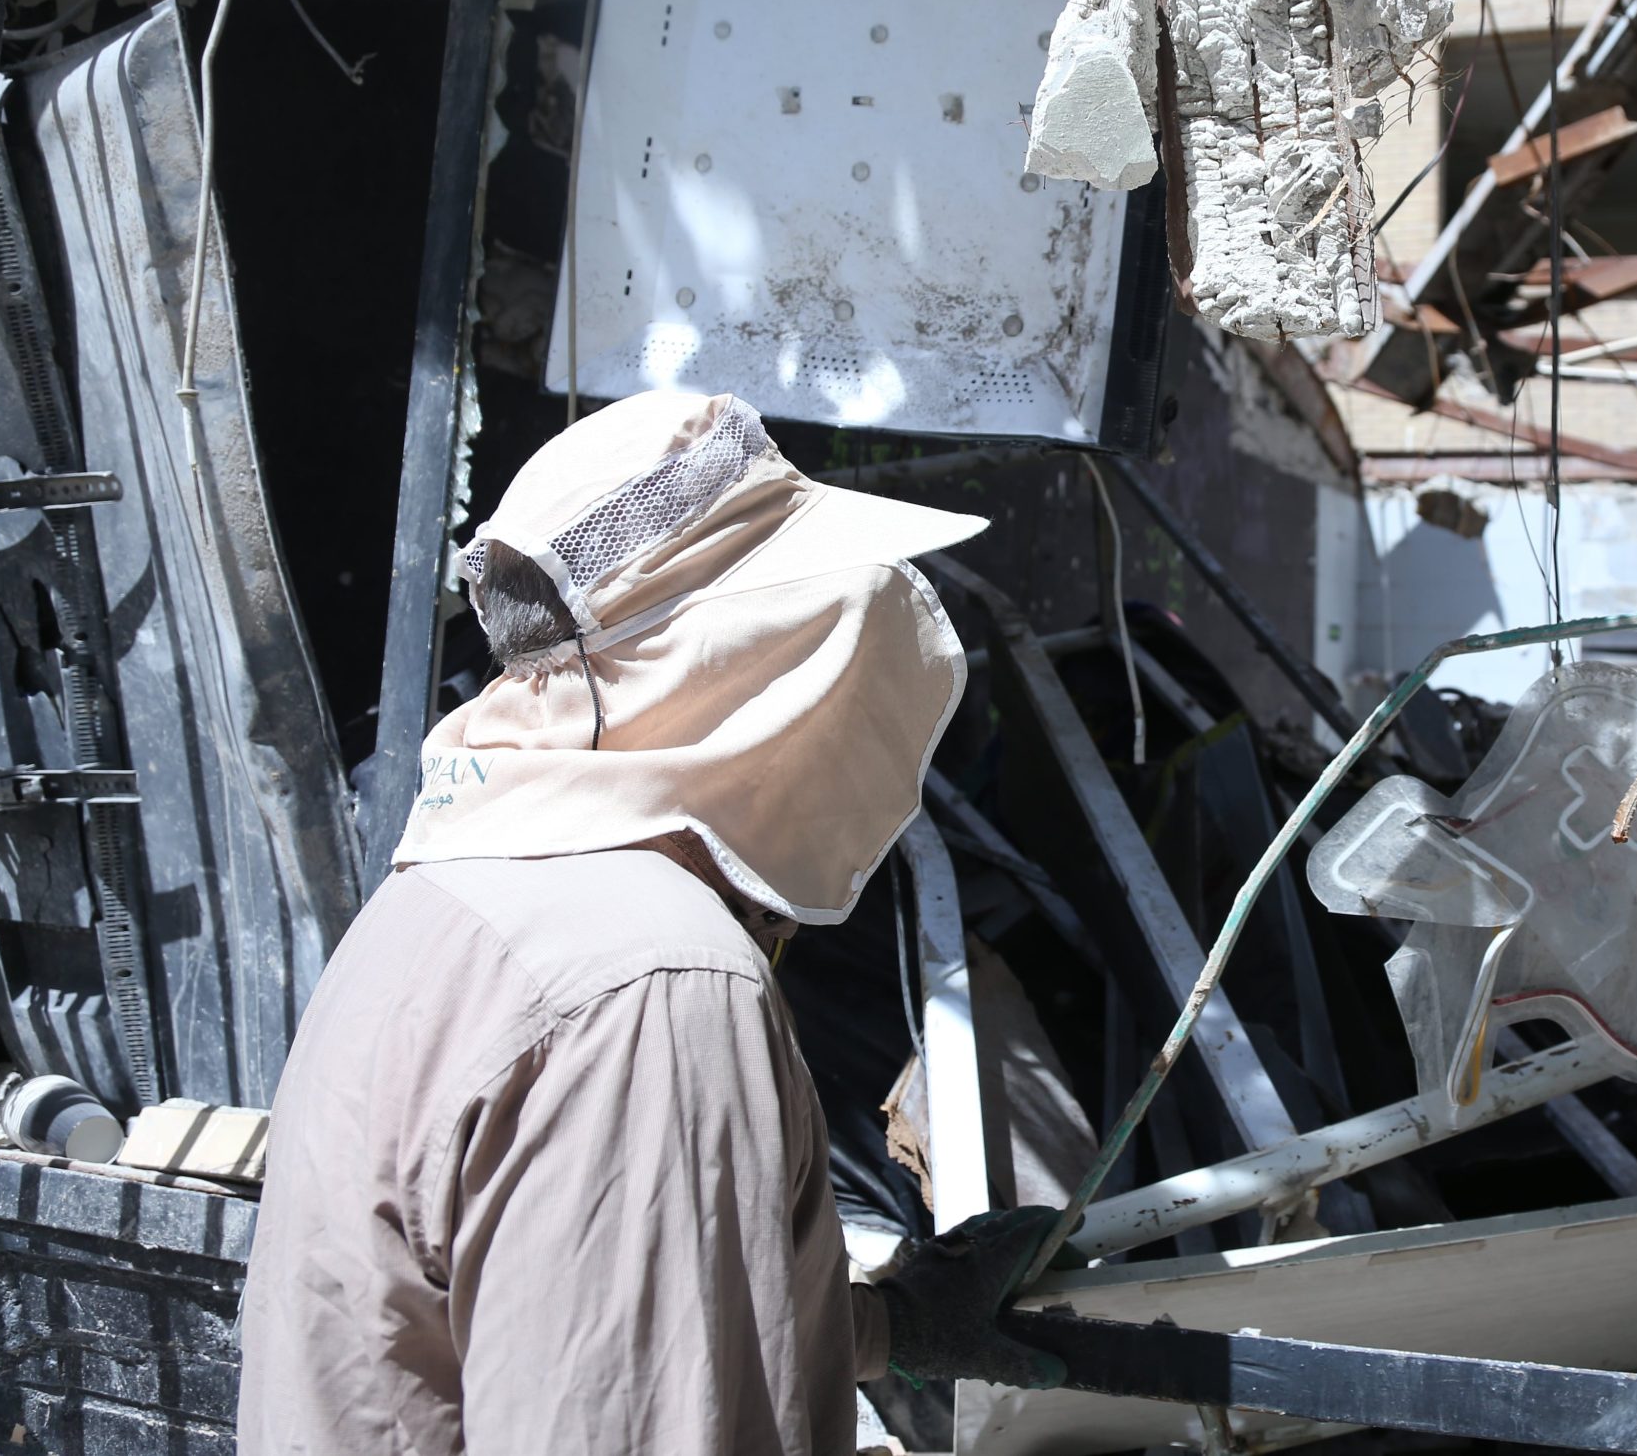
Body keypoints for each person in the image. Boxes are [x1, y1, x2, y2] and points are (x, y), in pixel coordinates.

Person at [239, 391, 1062, 1455]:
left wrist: (881, 1326)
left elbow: (561, 1314)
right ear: (743, 659)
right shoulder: (653, 975)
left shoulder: (455, 885)